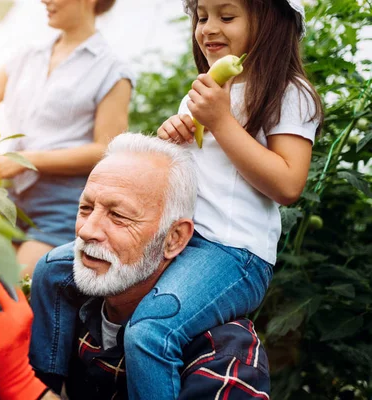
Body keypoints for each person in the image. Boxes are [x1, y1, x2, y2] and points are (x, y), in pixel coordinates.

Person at [30, 0, 324, 398]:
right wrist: (172, 136)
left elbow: (288, 185)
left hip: (232, 253)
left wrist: (220, 121)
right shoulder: (205, 92)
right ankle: (48, 386)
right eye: (202, 17)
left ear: (271, 22)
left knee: (150, 332)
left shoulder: (289, 92)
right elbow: (180, 174)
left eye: (227, 16)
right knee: (51, 269)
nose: (208, 28)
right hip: (176, 240)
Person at [0, 133, 271, 399]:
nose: (87, 231)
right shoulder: (61, 310)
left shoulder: (226, 357)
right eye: (86, 208)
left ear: (173, 239)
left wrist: (21, 385)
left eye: (118, 216)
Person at [0, 0, 134, 277]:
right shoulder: (28, 56)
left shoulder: (111, 70)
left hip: (61, 202)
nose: (44, 1)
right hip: (8, 195)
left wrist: (27, 159)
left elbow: (106, 150)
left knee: (11, 290)